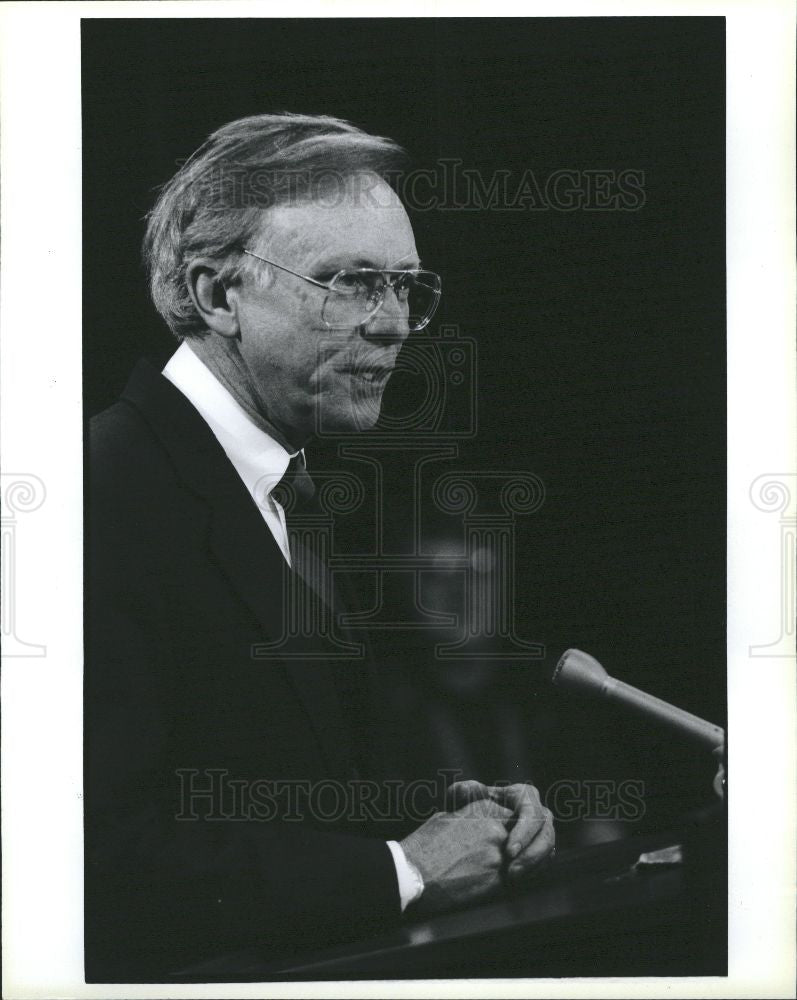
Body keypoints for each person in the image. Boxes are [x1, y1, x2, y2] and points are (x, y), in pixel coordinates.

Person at [85, 112, 555, 981]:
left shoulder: (274, 481)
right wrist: (405, 871)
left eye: (408, 288)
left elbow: (260, 778)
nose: (395, 325)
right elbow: (90, 859)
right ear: (217, 295)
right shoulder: (100, 495)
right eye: (352, 283)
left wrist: (444, 815)